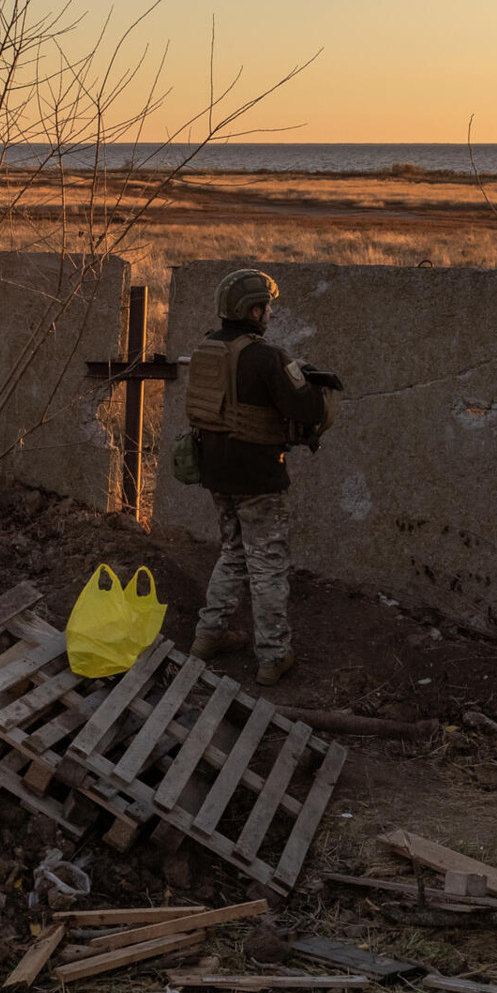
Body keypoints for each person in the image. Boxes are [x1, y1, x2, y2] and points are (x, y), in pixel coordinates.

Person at [184, 268, 336, 685]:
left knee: (232, 553)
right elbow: (307, 411)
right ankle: (273, 656)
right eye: (266, 306)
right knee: (267, 565)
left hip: (215, 470)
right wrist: (304, 380)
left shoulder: (205, 349)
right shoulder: (267, 356)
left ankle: (207, 636)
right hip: (259, 478)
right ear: (254, 310)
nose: (269, 313)